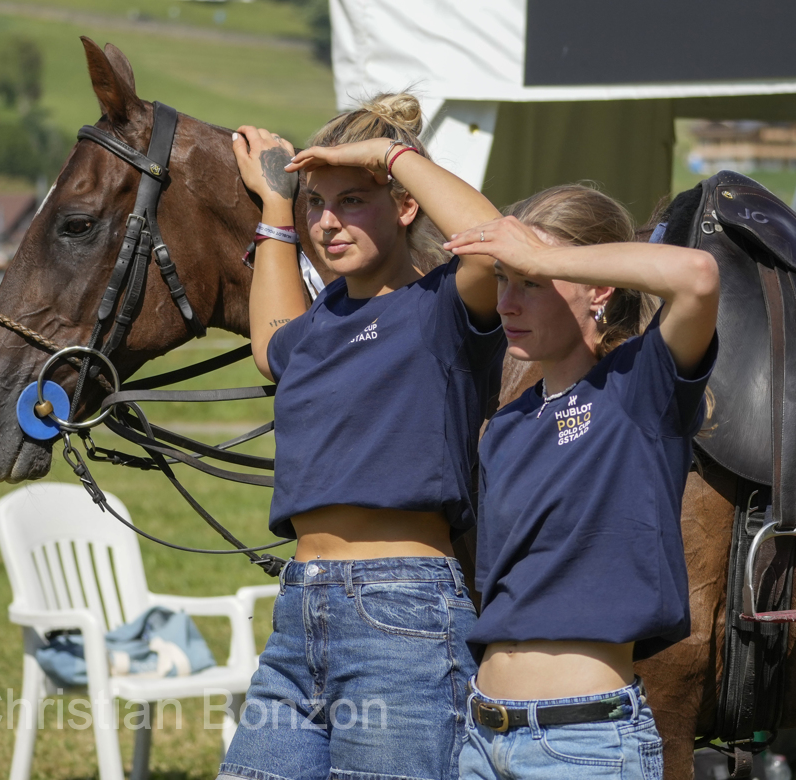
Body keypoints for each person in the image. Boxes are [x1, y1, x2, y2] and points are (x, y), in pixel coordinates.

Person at [217, 94, 505, 780]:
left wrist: (391, 155)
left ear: (405, 205)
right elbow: (269, 345)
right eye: (318, 204)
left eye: (352, 200)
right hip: (300, 611)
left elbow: (497, 243)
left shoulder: (440, 305)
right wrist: (278, 205)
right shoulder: (315, 325)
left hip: (404, 613)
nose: (328, 223)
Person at [443, 184, 720, 780]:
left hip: (582, 745)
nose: (508, 304)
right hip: (482, 737)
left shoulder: (639, 387)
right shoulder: (509, 424)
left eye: (531, 283)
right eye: (503, 280)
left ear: (598, 288)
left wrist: (542, 255)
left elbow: (697, 275)